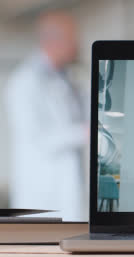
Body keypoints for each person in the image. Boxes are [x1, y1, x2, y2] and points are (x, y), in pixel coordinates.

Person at [4, 10, 88, 221]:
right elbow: (40, 138)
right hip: (41, 193)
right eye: (73, 38)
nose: (77, 44)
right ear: (55, 40)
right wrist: (87, 131)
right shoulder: (23, 82)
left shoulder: (67, 77)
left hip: (67, 190)